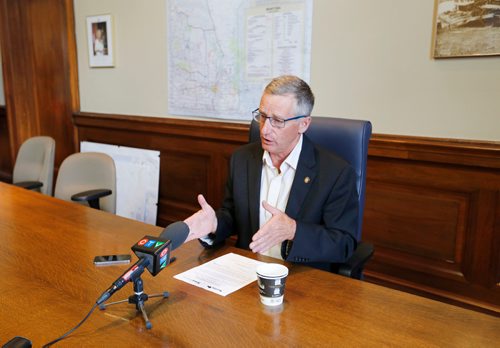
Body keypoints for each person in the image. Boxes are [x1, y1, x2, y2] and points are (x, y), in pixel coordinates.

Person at [184, 75, 358, 271]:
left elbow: (344, 244)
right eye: (263, 116)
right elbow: (233, 215)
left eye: (277, 121)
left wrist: (294, 230)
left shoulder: (336, 173)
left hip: (302, 278)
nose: (265, 130)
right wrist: (214, 223)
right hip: (246, 271)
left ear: (304, 124)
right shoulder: (242, 159)